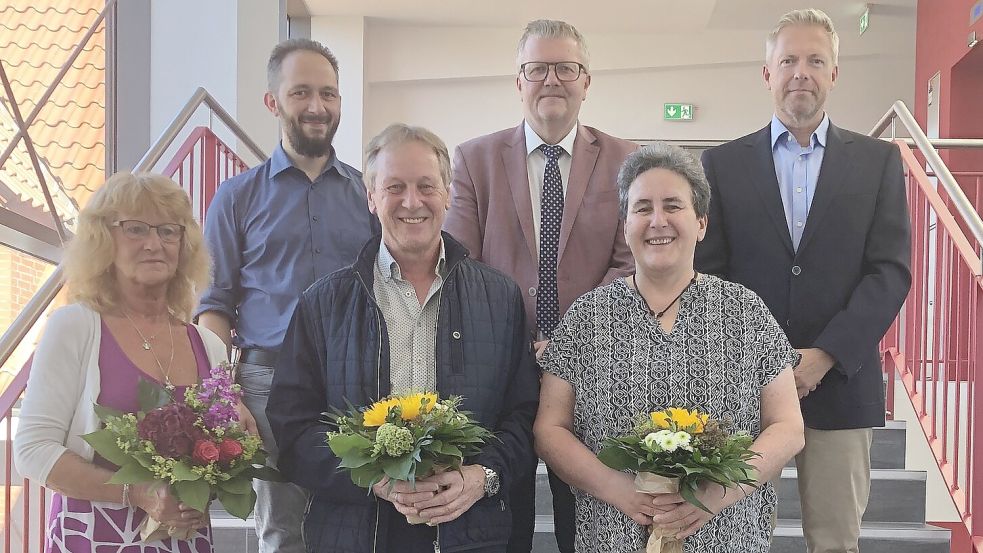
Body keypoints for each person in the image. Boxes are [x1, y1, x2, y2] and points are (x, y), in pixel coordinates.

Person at [694, 9, 911, 553]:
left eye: (816, 60)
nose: (801, 73)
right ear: (766, 73)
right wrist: (762, 360)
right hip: (743, 390)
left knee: (835, 541)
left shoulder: (879, 163)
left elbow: (889, 271)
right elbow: (710, 277)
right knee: (733, 538)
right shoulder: (720, 166)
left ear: (835, 72)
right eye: (788, 60)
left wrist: (827, 355)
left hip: (841, 386)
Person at [267, 123, 540, 552]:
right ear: (371, 197)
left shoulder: (500, 298)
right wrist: (371, 479)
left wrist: (479, 477)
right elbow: (294, 428)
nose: (412, 202)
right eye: (394, 187)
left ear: (448, 194)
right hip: (356, 532)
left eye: (426, 186)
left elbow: (523, 417)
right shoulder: (323, 305)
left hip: (469, 532)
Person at [534, 144, 805, 552]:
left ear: (701, 222)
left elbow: (788, 428)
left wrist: (718, 493)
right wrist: (618, 489)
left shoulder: (746, 312)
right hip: (612, 533)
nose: (657, 221)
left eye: (673, 206)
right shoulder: (587, 317)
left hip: (726, 532)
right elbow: (549, 429)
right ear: (625, 224)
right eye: (642, 208)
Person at [442, 19, 635, 552]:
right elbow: (460, 264)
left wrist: (571, 339)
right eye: (538, 68)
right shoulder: (474, 160)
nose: (552, 79)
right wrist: (514, 341)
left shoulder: (624, 159)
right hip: (501, 372)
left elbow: (629, 262)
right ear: (519, 80)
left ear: (586, 80)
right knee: (504, 522)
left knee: (591, 527)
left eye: (566, 68)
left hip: (595, 370)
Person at [196, 38, 379, 553]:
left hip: (352, 378)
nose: (317, 106)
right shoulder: (236, 198)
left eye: (328, 93)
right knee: (282, 531)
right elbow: (214, 304)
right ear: (273, 102)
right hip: (266, 380)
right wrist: (222, 394)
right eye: (301, 92)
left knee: (355, 524)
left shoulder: (368, 197)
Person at [14, 173, 233, 553]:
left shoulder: (210, 345)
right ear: (104, 240)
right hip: (91, 537)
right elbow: (33, 451)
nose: (154, 244)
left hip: (184, 543)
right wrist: (139, 493)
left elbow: (215, 460)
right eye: (135, 229)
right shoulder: (75, 327)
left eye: (169, 231)